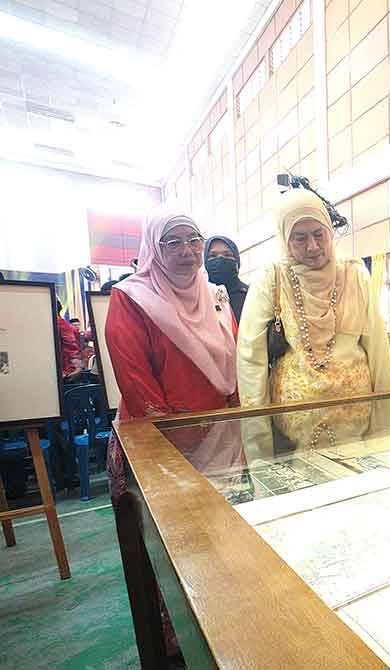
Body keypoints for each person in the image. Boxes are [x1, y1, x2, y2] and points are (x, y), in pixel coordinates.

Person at [104, 212, 239, 661]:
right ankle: (179, 646)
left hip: (223, 447)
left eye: (193, 240)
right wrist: (182, 438)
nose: (186, 251)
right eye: (172, 243)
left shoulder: (215, 295)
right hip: (159, 453)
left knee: (224, 550)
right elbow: (137, 384)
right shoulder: (131, 299)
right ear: (152, 250)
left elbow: (233, 371)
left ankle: (225, 630)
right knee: (171, 559)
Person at [237, 189, 390, 441]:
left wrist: (382, 432)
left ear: (330, 231)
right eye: (299, 238)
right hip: (294, 430)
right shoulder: (272, 278)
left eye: (319, 234)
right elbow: (250, 356)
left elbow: (377, 348)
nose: (313, 246)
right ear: (284, 239)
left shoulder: (355, 273)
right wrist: (258, 437)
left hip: (355, 422)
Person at [204, 235, 250, 322]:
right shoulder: (200, 298)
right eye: (213, 256)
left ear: (237, 262)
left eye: (227, 255)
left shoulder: (250, 296)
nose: (220, 258)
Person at [56, 301, 82, 377]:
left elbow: (72, 347)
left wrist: (77, 368)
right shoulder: (63, 325)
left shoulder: (61, 325)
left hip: (65, 371)